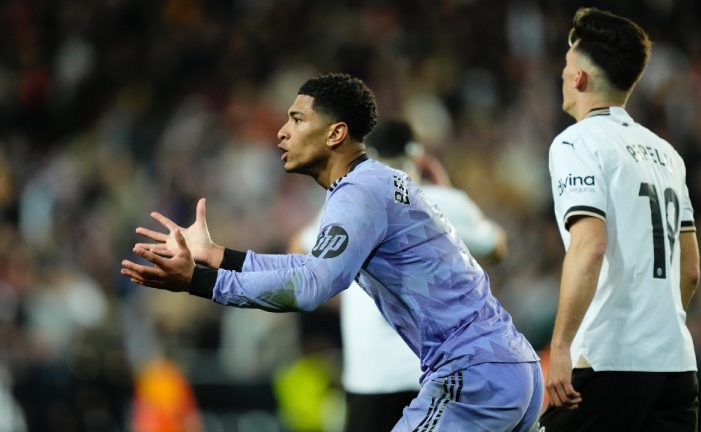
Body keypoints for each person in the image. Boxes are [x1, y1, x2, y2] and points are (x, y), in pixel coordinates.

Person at [121, 73, 543, 431]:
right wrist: (217, 257)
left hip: (471, 375)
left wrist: (199, 282)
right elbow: (311, 265)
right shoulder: (375, 183)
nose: (282, 131)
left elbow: (309, 288)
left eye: (297, 119)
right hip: (511, 364)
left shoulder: (358, 193)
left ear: (336, 133)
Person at [539, 8, 700, 431]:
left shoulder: (577, 142)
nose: (561, 73)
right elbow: (691, 271)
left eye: (566, 64)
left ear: (580, 78)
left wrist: (560, 347)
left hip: (609, 361)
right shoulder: (667, 154)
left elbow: (590, 245)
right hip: (676, 366)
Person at [291, 119, 510, 432]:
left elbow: (299, 250)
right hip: (440, 374)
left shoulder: (349, 203)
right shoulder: (446, 203)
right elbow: (498, 248)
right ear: (420, 159)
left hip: (371, 377)